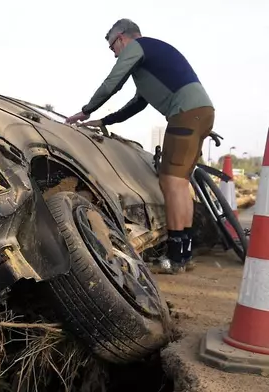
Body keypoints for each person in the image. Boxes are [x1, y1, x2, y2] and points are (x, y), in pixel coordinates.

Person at [65, 19, 215, 274]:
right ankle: (184, 253)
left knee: (171, 183)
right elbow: (137, 104)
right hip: (202, 112)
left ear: (122, 38)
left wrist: (85, 110)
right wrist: (103, 120)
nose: (113, 53)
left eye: (113, 47)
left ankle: (176, 256)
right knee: (181, 182)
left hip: (186, 113)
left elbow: (114, 81)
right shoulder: (151, 62)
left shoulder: (138, 47)